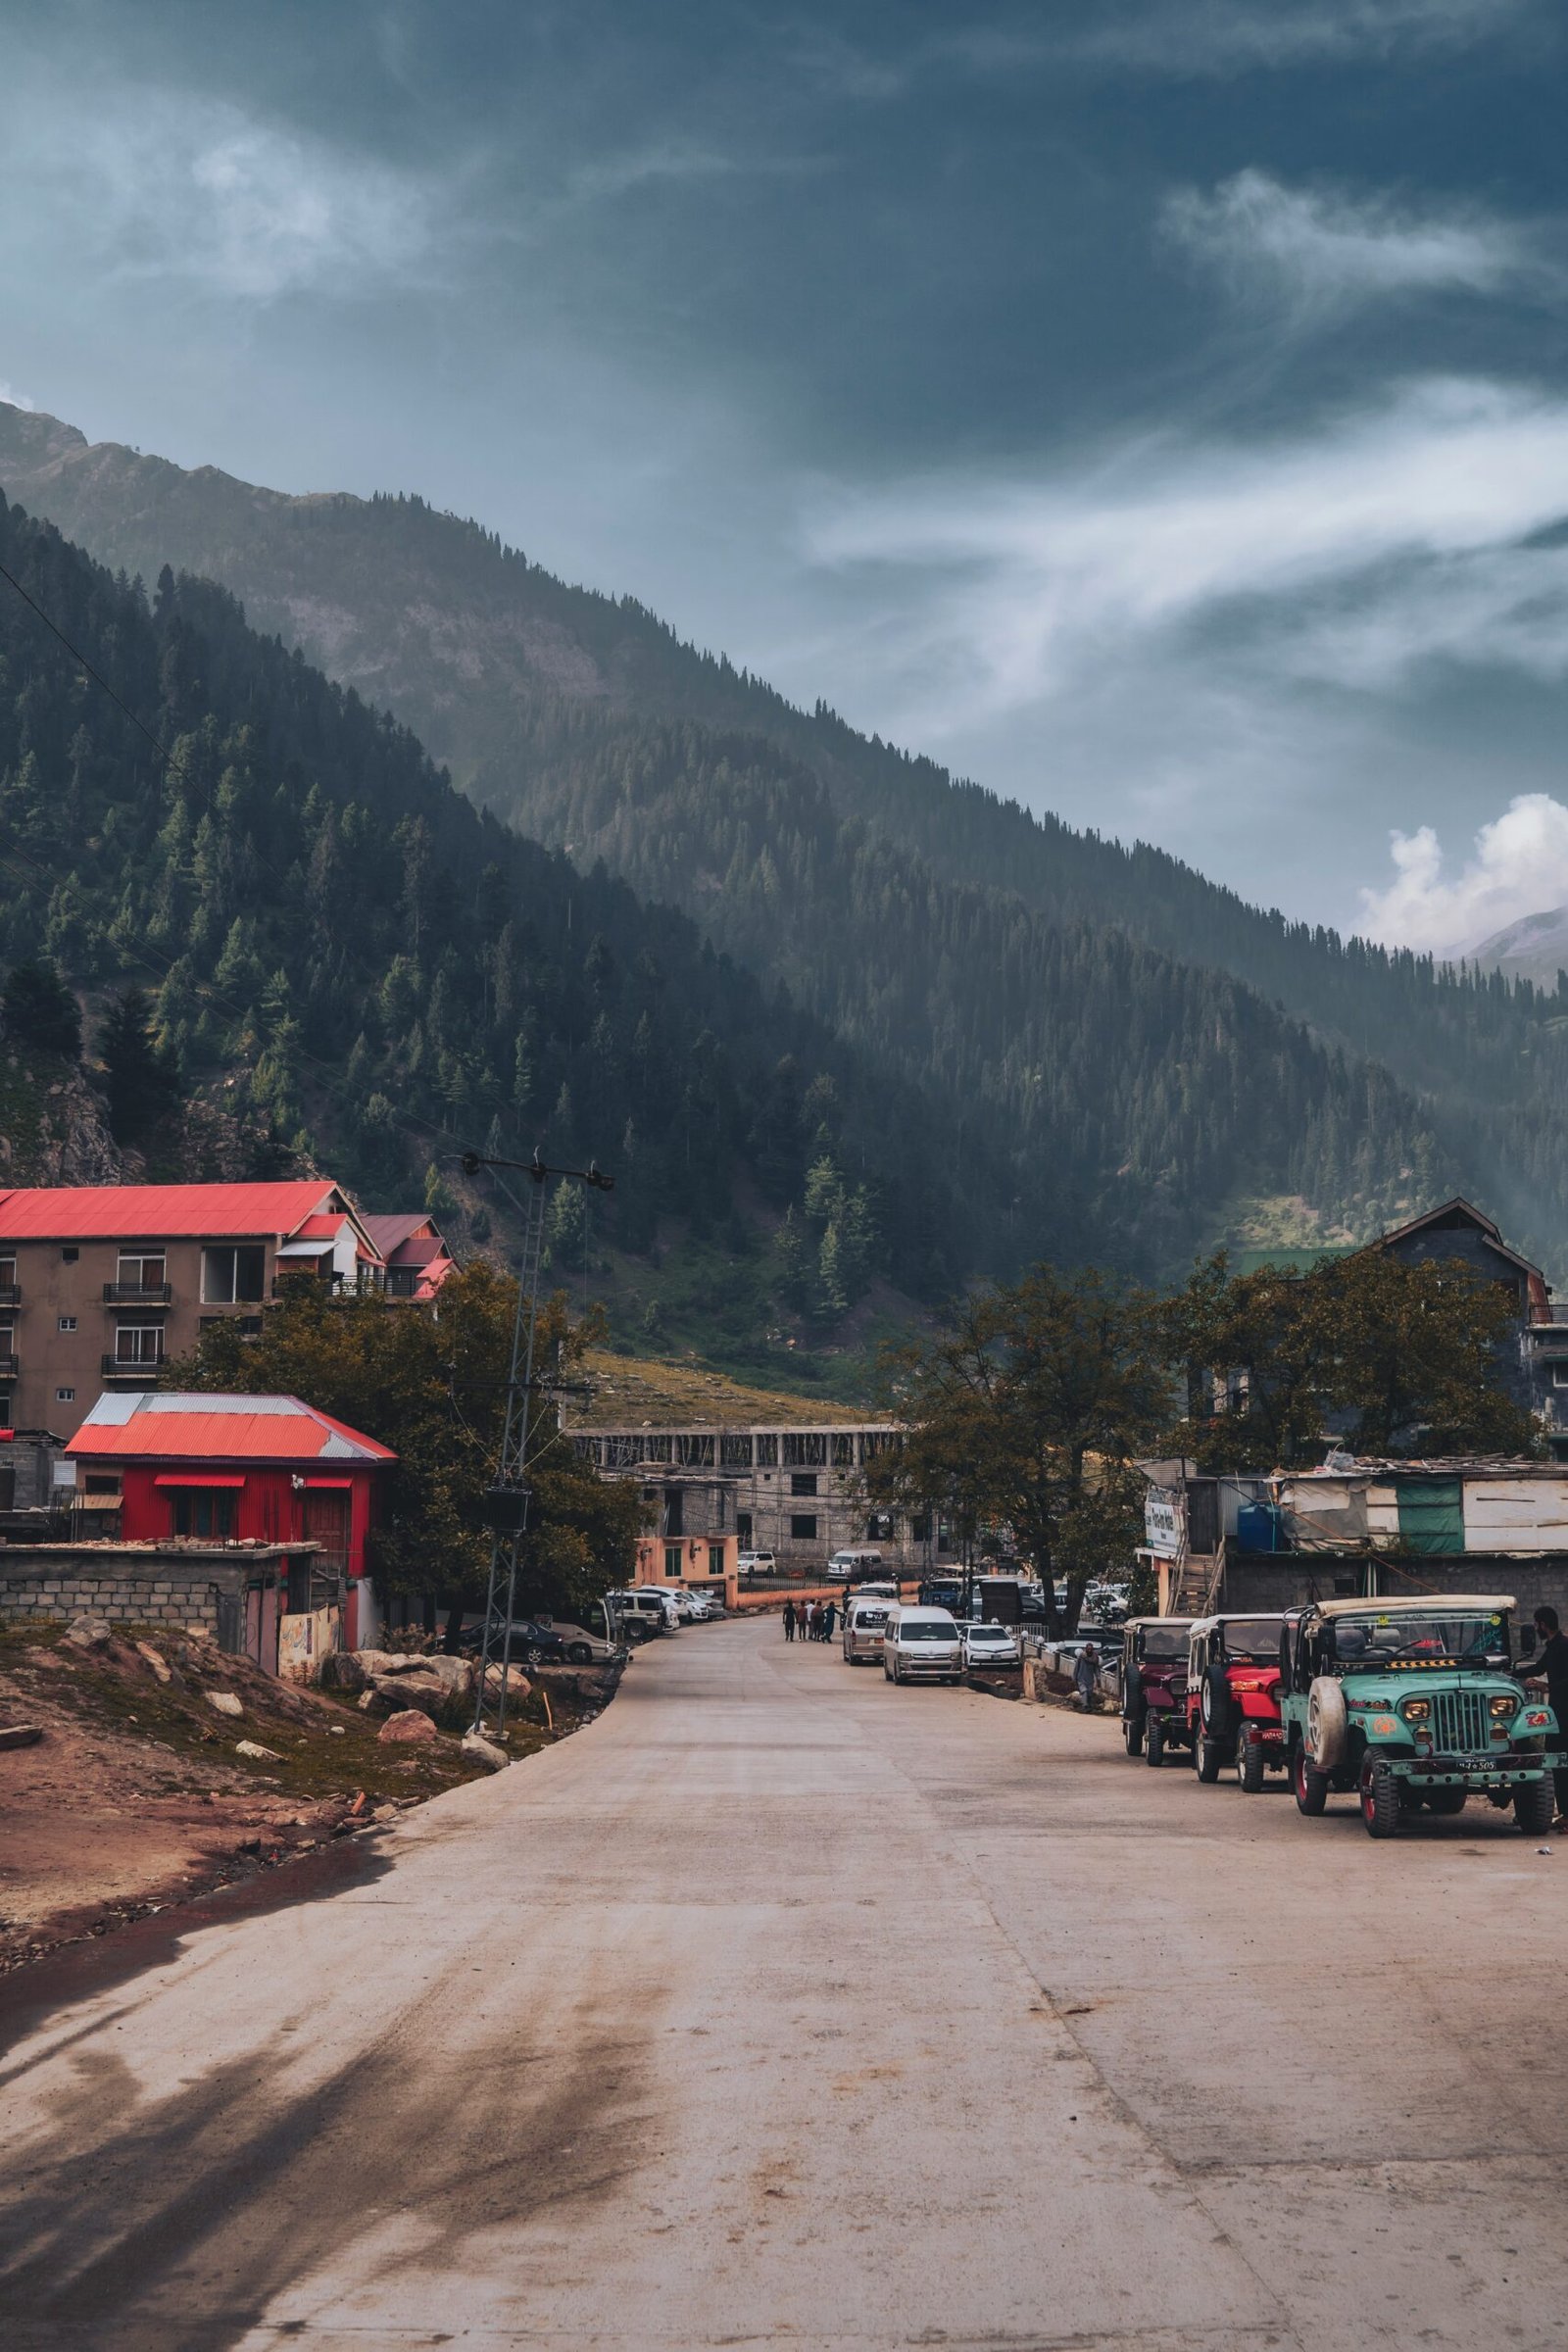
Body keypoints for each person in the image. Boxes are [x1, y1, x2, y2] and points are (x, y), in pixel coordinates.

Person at [1527, 1605, 1568, 1821]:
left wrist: (1548, 1687)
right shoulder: (1552, 1647)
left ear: (1542, 1625)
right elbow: (1537, 1668)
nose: (1535, 1628)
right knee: (1555, 1765)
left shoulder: (1564, 1646)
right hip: (1557, 1715)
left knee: (1562, 1765)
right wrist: (1507, 1672)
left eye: (1536, 1624)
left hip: (1565, 1715)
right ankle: (1564, 1813)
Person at [1073, 1642, 1100, 1712]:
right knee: (1084, 1691)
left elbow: (1096, 1669)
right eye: (1088, 1649)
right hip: (1081, 1677)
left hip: (1090, 1678)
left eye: (1091, 1649)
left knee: (1090, 1693)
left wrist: (1098, 1677)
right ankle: (1084, 1706)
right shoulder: (1081, 1656)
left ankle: (1089, 1706)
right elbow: (1076, 1667)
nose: (1090, 1650)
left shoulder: (1095, 1658)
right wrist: (1074, 1677)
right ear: (1086, 1649)